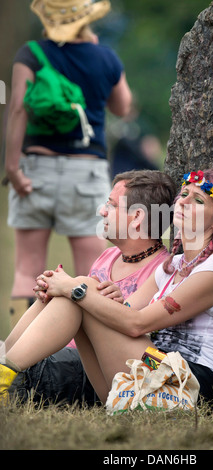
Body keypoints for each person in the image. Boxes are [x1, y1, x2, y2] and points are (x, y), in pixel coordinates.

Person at [0, 165, 213, 406]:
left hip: (188, 381)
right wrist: (57, 289)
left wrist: (74, 289)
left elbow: (137, 324)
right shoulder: (171, 265)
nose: (184, 201)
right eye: (185, 194)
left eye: (198, 200)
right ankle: (5, 374)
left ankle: (5, 379)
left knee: (81, 289)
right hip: (151, 366)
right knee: (82, 292)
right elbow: (124, 312)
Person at [3, 0, 132, 329]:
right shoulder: (106, 57)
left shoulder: (30, 53)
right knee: (93, 271)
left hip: (35, 169)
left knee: (26, 268)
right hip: (85, 172)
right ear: (88, 19)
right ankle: (83, 356)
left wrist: (13, 167)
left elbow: (17, 107)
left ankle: (16, 354)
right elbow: (122, 107)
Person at [5, 169, 177, 405]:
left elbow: (147, 338)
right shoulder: (108, 256)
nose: (102, 211)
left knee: (79, 287)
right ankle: (6, 368)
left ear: (137, 217)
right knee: (66, 288)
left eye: (111, 205)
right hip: (63, 355)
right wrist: (49, 292)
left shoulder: (163, 270)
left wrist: (79, 289)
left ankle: (7, 374)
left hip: (97, 368)